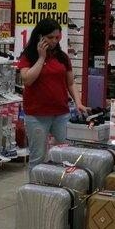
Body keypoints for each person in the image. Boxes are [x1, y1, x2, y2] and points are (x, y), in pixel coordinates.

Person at [18, 18, 88, 168]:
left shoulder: (62, 57)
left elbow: (70, 83)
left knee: (68, 154)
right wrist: (41, 58)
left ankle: (63, 181)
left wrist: (78, 102)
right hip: (36, 115)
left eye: (57, 37)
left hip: (61, 113)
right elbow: (27, 80)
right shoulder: (28, 56)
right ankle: (36, 183)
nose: (54, 41)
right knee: (37, 157)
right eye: (50, 37)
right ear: (40, 36)